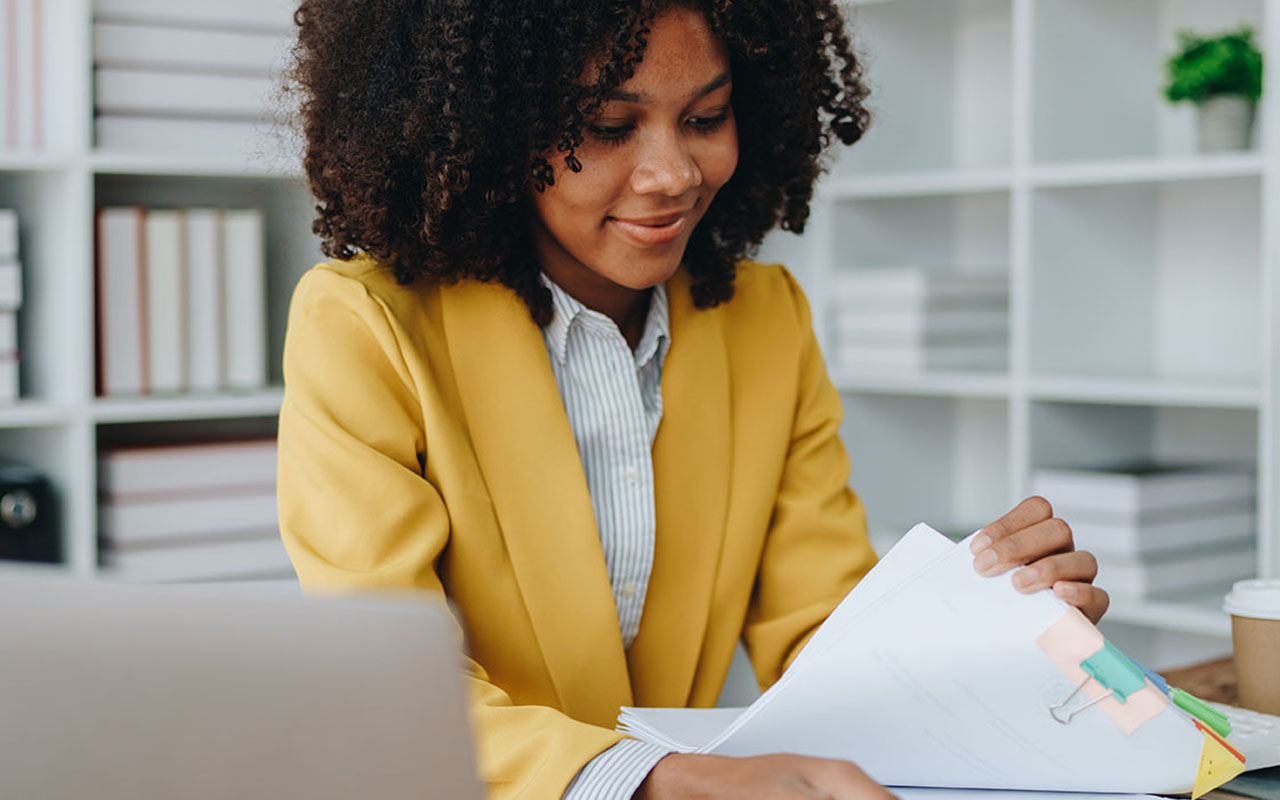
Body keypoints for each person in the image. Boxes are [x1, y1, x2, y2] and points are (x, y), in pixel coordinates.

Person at [277, 1, 1110, 798]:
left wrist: (984, 633)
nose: (673, 173)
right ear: (485, 125)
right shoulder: (366, 327)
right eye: (607, 127)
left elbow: (821, 637)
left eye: (706, 118)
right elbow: (388, 688)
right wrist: (658, 782)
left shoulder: (763, 320)